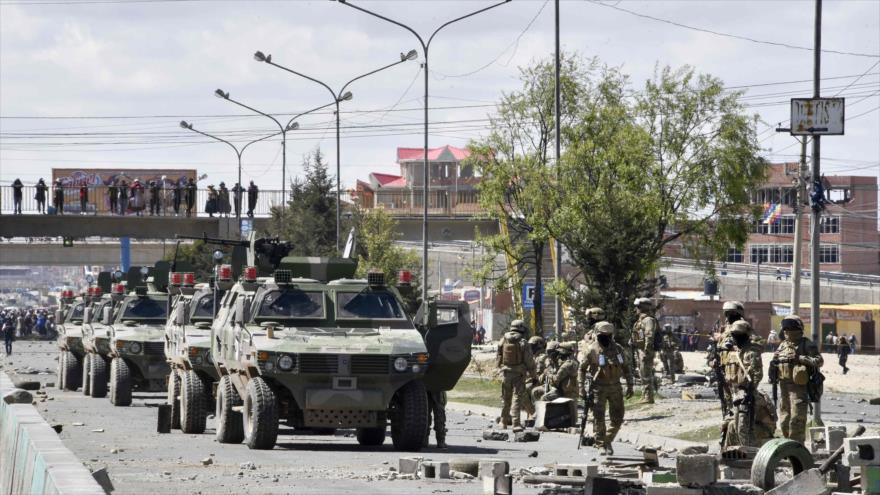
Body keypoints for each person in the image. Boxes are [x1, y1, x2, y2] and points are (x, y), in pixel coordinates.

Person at [578, 322, 633, 455]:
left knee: (618, 418)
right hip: (598, 387)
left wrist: (630, 384)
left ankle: (607, 440)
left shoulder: (618, 349)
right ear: (597, 334)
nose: (606, 337)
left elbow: (626, 367)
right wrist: (581, 387)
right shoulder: (591, 349)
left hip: (615, 387)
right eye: (603, 335)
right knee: (599, 418)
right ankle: (600, 444)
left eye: (608, 335)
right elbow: (582, 369)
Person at [717, 319, 770, 448]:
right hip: (734, 395)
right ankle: (734, 452)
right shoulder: (733, 352)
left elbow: (757, 374)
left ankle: (749, 454)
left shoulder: (751, 352)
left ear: (745, 335)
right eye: (734, 335)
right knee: (730, 426)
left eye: (738, 335)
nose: (736, 338)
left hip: (746, 395)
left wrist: (749, 392)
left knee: (743, 427)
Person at [772, 314, 823, 444]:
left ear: (799, 328)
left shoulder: (806, 344)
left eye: (791, 327)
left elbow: (819, 361)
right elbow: (776, 360)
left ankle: (797, 448)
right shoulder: (783, 345)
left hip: (798, 388)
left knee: (797, 419)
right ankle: (787, 445)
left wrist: (801, 358)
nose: (788, 330)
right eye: (786, 327)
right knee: (784, 419)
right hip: (783, 386)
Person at [496, 319, 536, 432]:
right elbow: (529, 362)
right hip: (519, 374)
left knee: (505, 398)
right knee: (517, 398)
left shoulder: (503, 340)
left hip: (505, 373)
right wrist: (534, 376)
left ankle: (503, 422)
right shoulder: (523, 342)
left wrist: (499, 369)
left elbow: (498, 357)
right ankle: (516, 423)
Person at [632, 298, 659, 404]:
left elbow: (649, 335)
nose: (636, 309)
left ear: (643, 307)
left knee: (646, 373)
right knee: (642, 373)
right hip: (640, 349)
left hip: (645, 350)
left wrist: (647, 350)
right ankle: (645, 395)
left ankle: (648, 396)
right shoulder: (640, 320)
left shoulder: (648, 320)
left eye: (638, 307)